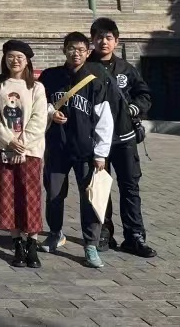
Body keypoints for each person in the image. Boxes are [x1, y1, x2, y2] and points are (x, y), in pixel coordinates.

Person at [39, 32, 113, 269]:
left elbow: (104, 119)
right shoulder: (50, 77)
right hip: (56, 146)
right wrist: (51, 113)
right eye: (71, 48)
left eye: (81, 49)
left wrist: (101, 153)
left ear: (88, 52)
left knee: (89, 198)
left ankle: (90, 244)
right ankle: (55, 233)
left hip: (85, 150)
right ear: (64, 50)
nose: (76, 53)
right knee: (53, 194)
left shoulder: (95, 80)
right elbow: (37, 104)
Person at [89, 17, 156, 258]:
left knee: (130, 187)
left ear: (116, 41)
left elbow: (144, 95)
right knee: (100, 187)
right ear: (92, 40)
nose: (103, 42)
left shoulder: (127, 69)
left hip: (125, 138)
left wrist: (134, 109)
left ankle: (134, 236)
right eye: (99, 37)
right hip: (97, 141)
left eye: (108, 37)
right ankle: (103, 232)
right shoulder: (86, 68)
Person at [0, 40, 47, 269]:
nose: (15, 61)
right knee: (8, 195)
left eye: (19, 57)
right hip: (5, 148)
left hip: (30, 150)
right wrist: (8, 140)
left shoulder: (36, 87)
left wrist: (23, 142)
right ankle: (17, 242)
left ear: (27, 60)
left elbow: (39, 118)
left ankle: (32, 242)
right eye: (10, 56)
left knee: (30, 196)